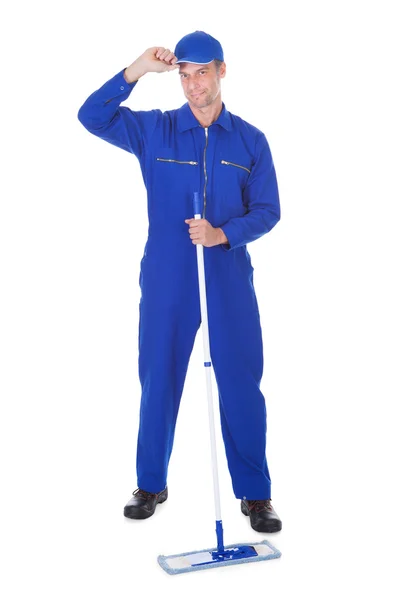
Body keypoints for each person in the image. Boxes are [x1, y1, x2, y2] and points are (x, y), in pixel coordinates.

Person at [77, 30, 282, 533]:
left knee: (240, 385)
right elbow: (92, 116)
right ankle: (151, 484)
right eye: (185, 77)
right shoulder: (157, 132)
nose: (193, 87)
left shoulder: (251, 141)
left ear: (222, 71)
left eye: (202, 74)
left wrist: (222, 234)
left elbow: (269, 210)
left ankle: (256, 495)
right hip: (169, 278)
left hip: (228, 278)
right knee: (159, 381)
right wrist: (137, 70)